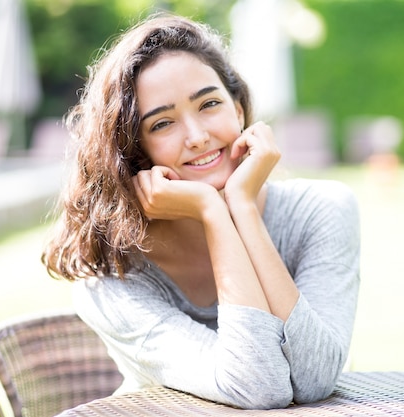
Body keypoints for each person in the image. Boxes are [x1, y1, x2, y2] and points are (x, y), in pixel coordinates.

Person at [42, 13, 360, 410]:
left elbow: (316, 378)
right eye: (162, 124)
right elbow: (258, 386)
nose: (197, 137)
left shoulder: (321, 212)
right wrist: (214, 212)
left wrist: (240, 206)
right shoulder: (112, 282)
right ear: (135, 150)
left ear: (239, 109)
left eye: (209, 104)